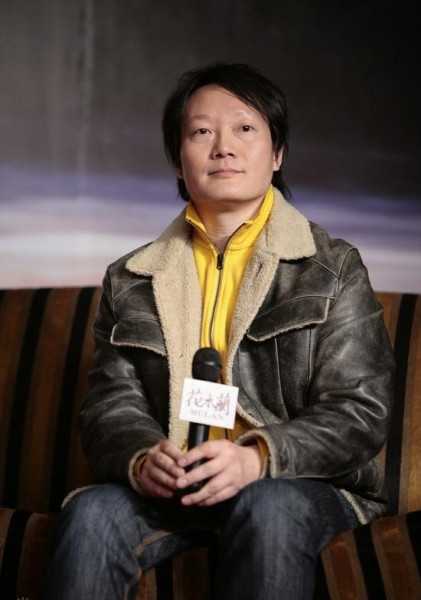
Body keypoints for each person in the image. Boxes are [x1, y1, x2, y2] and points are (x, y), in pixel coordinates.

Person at [45, 63, 395, 600]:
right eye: (201, 131)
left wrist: (257, 457)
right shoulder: (132, 277)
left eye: (245, 128)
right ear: (178, 160)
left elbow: (360, 409)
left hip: (297, 486)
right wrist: (144, 458)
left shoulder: (331, 268)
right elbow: (109, 404)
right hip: (177, 489)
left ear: (277, 154)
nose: (223, 147)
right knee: (92, 513)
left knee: (269, 505)